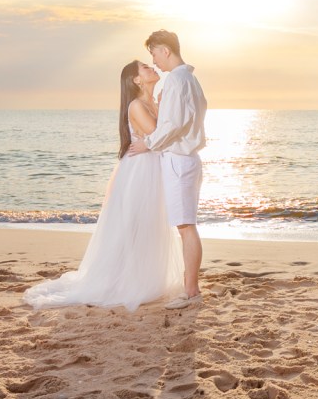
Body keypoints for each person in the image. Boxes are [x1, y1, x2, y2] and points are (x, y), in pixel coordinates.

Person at [24, 60, 185, 312]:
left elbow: (161, 136)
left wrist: (163, 106)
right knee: (134, 223)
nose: (151, 69)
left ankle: (145, 275)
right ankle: (124, 280)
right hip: (140, 171)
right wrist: (164, 109)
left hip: (152, 168)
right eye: (145, 67)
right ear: (136, 80)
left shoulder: (153, 102)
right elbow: (158, 136)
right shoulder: (136, 105)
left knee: (150, 223)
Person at [128, 29, 207, 309]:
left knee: (186, 226)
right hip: (188, 159)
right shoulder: (191, 79)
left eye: (154, 54)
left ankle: (191, 291)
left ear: (165, 50)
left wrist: (149, 142)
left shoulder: (176, 80)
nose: (155, 61)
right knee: (186, 225)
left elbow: (173, 125)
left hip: (178, 160)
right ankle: (191, 287)